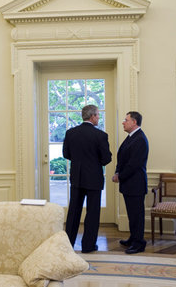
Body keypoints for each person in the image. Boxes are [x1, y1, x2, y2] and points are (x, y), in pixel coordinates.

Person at [63, 104, 112, 253]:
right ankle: (88, 246)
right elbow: (106, 159)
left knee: (73, 212)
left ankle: (68, 245)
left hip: (77, 177)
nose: (98, 118)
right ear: (92, 116)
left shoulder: (70, 133)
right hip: (94, 179)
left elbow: (66, 154)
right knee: (92, 213)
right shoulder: (101, 135)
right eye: (97, 115)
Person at [112, 111, 149, 254]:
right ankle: (133, 238)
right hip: (129, 184)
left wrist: (119, 176)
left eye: (126, 120)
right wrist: (117, 171)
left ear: (134, 122)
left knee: (137, 216)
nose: (123, 122)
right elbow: (122, 158)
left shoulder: (140, 139)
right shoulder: (131, 137)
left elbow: (134, 164)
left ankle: (139, 243)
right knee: (132, 214)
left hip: (136, 184)